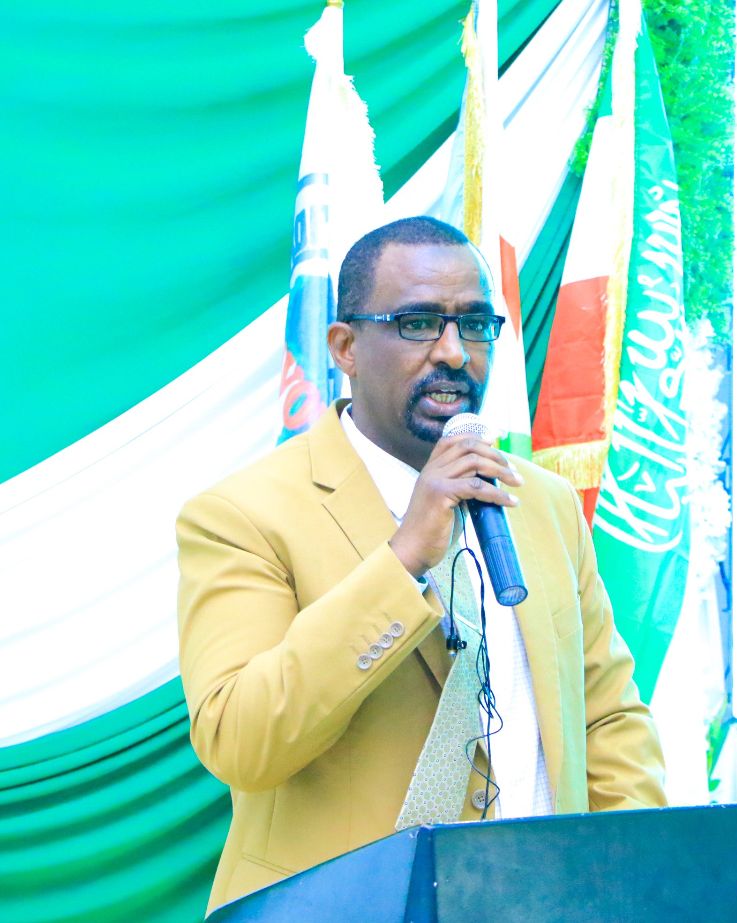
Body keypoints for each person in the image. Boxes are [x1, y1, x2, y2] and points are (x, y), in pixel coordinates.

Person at [177, 216, 667, 914]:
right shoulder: (241, 515)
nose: (454, 352)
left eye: (475, 324)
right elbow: (240, 739)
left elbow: (608, 718)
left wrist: (629, 882)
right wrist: (404, 558)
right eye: (417, 324)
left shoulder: (543, 504)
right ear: (345, 347)